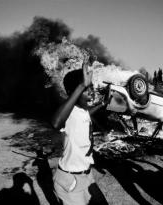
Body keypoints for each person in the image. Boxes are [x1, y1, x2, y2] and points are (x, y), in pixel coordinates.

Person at [51, 59, 108, 205]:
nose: (90, 92)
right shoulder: (67, 111)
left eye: (90, 88)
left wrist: (103, 104)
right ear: (73, 92)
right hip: (70, 180)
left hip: (87, 176)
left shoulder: (82, 110)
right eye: (86, 89)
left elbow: (88, 113)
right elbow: (56, 123)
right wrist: (82, 84)